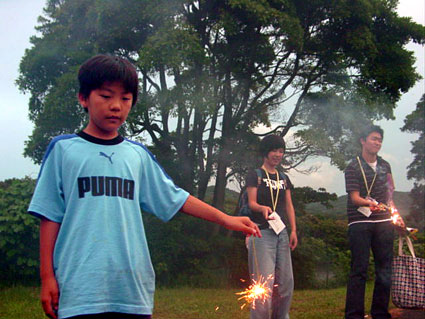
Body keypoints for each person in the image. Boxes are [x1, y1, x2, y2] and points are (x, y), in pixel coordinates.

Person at [28, 54, 261, 319]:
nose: (116, 106)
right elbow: (49, 216)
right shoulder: (63, 150)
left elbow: (176, 198)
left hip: (131, 289)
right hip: (79, 289)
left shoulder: (137, 155)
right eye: (106, 96)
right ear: (84, 98)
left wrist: (226, 219)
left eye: (125, 99)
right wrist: (47, 277)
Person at [344, 125, 403, 319]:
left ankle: (380, 313)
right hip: (360, 222)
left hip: (384, 221)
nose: (377, 143)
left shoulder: (385, 165)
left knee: (384, 268)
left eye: (380, 140)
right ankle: (354, 315)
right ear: (363, 140)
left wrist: (396, 214)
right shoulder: (352, 166)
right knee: (359, 269)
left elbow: (389, 194)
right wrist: (370, 204)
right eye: (373, 139)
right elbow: (354, 198)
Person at [245, 135, 297, 319]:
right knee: (263, 284)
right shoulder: (255, 175)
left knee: (285, 283)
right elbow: (251, 202)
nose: (278, 154)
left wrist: (293, 231)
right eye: (274, 150)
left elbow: (289, 205)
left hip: (281, 232)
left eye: (281, 151)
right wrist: (262, 208)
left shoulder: (284, 178)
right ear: (265, 152)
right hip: (260, 232)